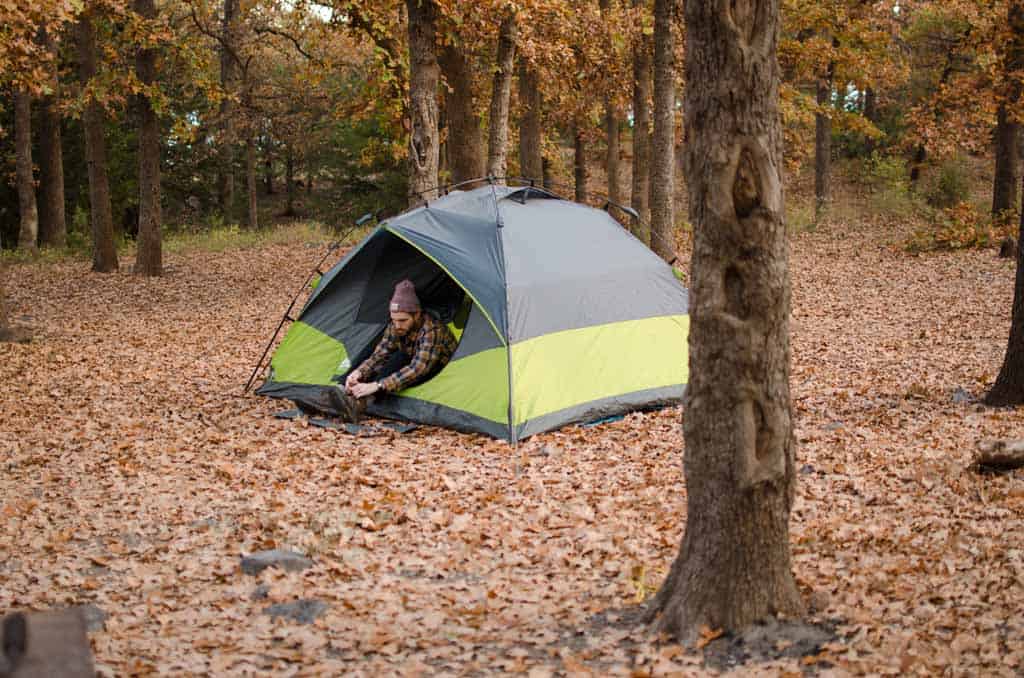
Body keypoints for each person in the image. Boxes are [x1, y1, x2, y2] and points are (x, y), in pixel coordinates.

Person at [329, 279, 457, 421]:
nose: (397, 325)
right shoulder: (396, 325)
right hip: (412, 359)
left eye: (403, 320)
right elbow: (381, 353)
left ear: (417, 314)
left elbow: (418, 369)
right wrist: (359, 372)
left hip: (437, 369)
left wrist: (378, 385)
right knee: (377, 352)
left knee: (400, 358)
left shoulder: (432, 330)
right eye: (394, 320)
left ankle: (362, 402)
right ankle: (342, 390)